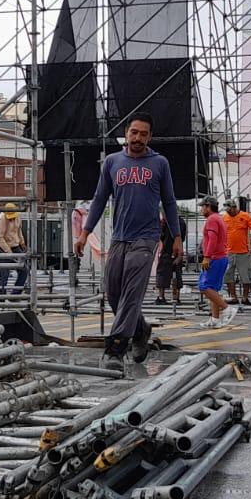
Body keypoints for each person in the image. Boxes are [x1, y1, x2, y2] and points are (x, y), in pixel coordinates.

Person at [76, 112, 183, 367]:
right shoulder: (113, 162)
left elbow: (169, 201)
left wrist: (176, 236)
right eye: (134, 132)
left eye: (143, 134)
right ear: (126, 133)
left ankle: (116, 346)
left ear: (150, 137)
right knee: (113, 292)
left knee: (132, 292)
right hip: (119, 238)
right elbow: (100, 199)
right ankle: (140, 330)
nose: (138, 138)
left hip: (146, 239)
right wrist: (84, 233)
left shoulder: (159, 163)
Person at [197, 198, 237, 328]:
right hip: (220, 258)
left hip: (215, 258)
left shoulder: (212, 219)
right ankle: (215, 319)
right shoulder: (218, 218)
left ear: (208, 207)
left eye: (202, 206)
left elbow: (213, 239)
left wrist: (207, 257)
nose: (201, 209)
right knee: (213, 288)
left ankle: (227, 309)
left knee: (204, 286)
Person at [222, 199, 251, 305]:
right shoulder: (224, 217)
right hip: (228, 252)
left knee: (246, 276)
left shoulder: (245, 216)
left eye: (229, 210)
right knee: (228, 275)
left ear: (234, 207)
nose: (228, 212)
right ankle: (233, 297)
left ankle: (245, 298)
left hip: (243, 252)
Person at [0, 202, 27, 294]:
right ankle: (1, 297)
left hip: (15, 246)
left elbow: (18, 230)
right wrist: (9, 252)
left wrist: (22, 243)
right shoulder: (1, 219)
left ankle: (15, 293)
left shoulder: (17, 216)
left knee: (24, 270)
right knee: (4, 274)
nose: (12, 218)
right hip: (2, 249)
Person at [154, 215, 185, 306]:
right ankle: (176, 298)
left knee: (162, 274)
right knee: (177, 275)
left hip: (167, 251)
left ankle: (161, 297)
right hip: (177, 251)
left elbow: (160, 235)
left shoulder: (166, 222)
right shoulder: (181, 222)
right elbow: (182, 237)